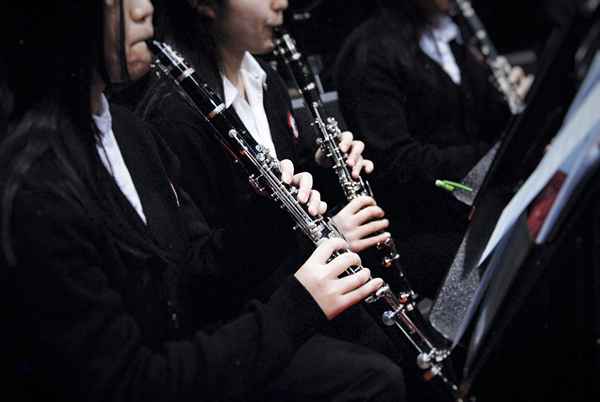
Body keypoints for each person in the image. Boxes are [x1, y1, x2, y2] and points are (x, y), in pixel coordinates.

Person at [0, 1, 405, 401]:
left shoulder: (127, 131)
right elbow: (130, 381)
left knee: (377, 366)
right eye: (116, 3)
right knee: (372, 379)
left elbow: (192, 271)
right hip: (172, 376)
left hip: (195, 353)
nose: (144, 10)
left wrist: (277, 216)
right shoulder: (41, 191)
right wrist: (298, 306)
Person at [335, 0, 524, 297]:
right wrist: (498, 154)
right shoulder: (370, 52)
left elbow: (478, 123)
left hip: (474, 207)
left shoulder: (457, 31)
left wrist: (516, 112)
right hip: (418, 230)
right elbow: (397, 163)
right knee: (516, 267)